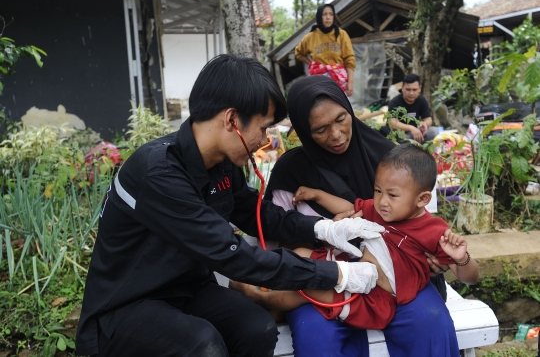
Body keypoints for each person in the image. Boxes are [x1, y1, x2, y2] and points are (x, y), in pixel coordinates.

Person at [75, 55, 387, 357]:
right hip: (129, 303)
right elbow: (231, 254)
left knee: (257, 330)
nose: (264, 140)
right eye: (263, 128)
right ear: (232, 119)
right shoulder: (159, 174)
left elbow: (257, 214)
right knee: (202, 344)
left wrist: (325, 229)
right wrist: (336, 273)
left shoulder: (220, 164)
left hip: (185, 289)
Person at [263, 75, 464, 357]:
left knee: (431, 323)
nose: (335, 135)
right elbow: (276, 241)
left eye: (341, 119)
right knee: (317, 339)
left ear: (349, 109)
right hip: (324, 278)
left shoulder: (389, 160)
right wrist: (321, 237)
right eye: (319, 129)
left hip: (394, 277)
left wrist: (433, 260)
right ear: (303, 131)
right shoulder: (291, 174)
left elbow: (422, 224)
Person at [233, 143, 479, 332]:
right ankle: (266, 283)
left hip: (372, 296)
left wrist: (462, 259)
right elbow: (352, 206)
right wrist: (318, 195)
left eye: (392, 195)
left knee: (304, 288)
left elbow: (469, 278)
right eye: (378, 190)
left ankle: (261, 298)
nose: (382, 201)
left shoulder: (434, 232)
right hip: (347, 265)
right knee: (299, 255)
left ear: (423, 199)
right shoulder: (382, 210)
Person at [295, 3, 356, 96]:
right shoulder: (310, 37)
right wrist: (310, 63)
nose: (328, 17)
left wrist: (350, 82)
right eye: (324, 14)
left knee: (340, 107)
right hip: (318, 82)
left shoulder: (342, 35)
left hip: (339, 81)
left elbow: (349, 59)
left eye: (331, 14)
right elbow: (299, 53)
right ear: (319, 16)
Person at [388, 73, 440, 142]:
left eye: (414, 90)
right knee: (398, 137)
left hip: (417, 133)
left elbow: (428, 119)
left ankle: (433, 152)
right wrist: (411, 128)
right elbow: (392, 123)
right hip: (401, 134)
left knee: (434, 131)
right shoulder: (394, 102)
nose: (411, 93)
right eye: (408, 90)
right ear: (402, 88)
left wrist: (424, 124)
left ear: (420, 88)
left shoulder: (422, 100)